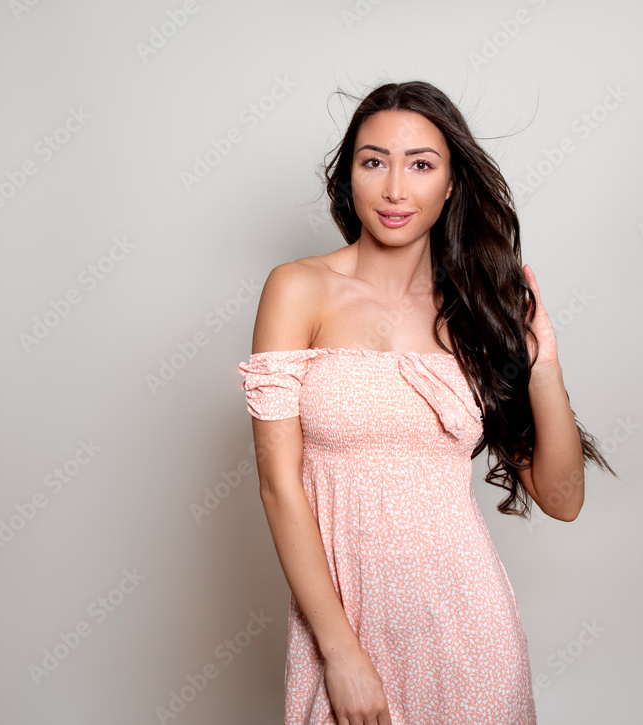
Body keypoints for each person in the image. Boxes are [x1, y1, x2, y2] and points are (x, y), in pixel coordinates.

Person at [237, 80, 615, 725]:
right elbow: (278, 485)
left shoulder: (476, 314)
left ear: (450, 184)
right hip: (344, 629)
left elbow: (562, 499)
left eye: (420, 165)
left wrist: (543, 368)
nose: (394, 189)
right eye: (373, 161)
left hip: (472, 630)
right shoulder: (298, 289)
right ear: (348, 177)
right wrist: (340, 653)